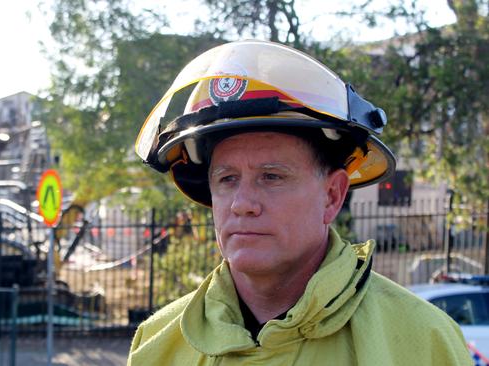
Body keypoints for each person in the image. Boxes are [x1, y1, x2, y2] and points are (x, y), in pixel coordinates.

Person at [128, 40, 471, 365]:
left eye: (272, 177)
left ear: (332, 196)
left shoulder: (424, 341)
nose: (242, 204)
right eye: (227, 179)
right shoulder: (158, 344)